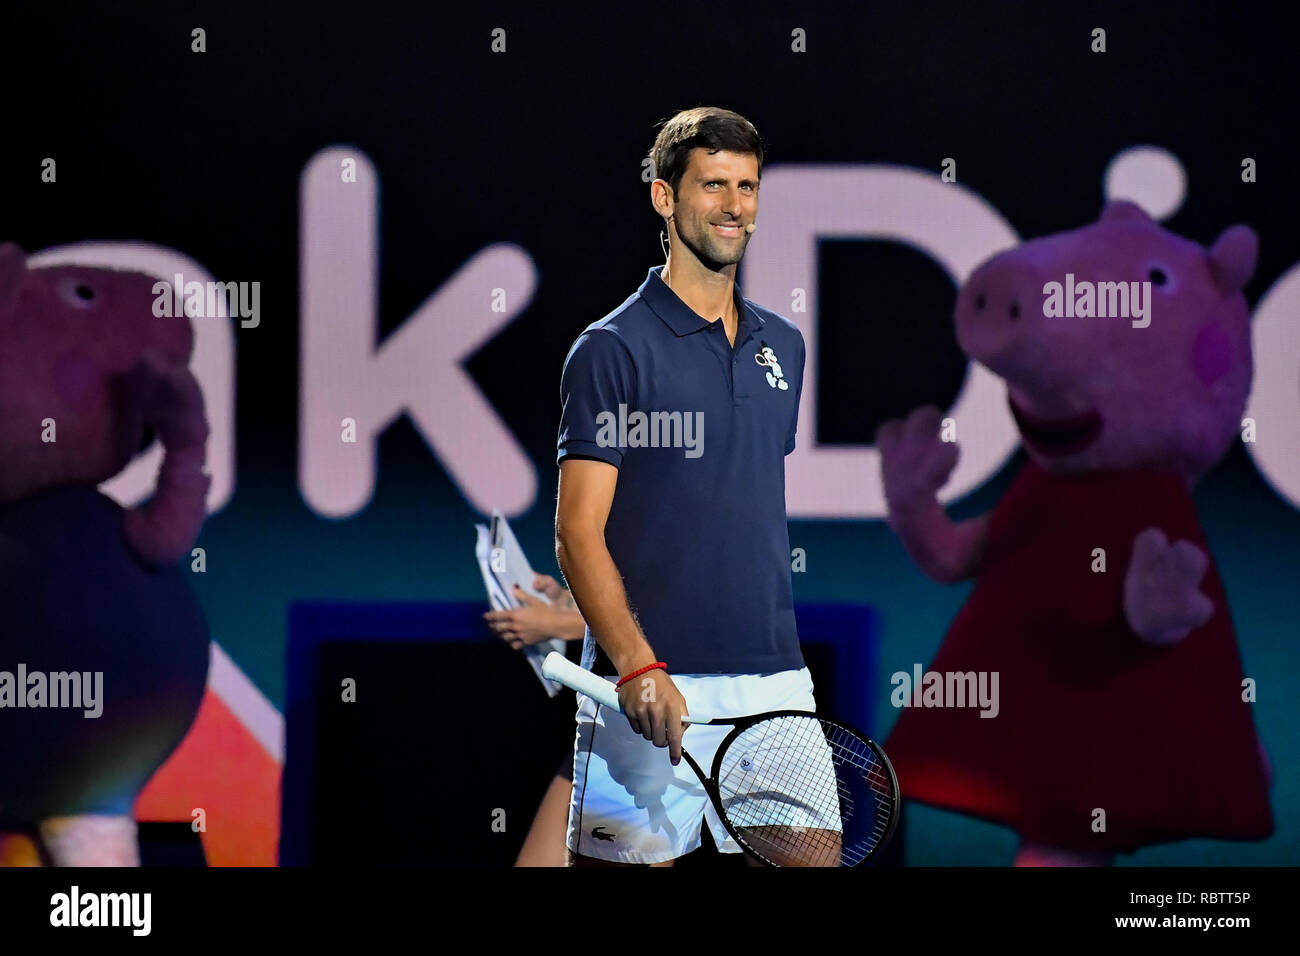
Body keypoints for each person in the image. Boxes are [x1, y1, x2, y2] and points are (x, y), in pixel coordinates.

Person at [554, 107, 828, 867]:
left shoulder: (786, 345)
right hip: (640, 687)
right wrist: (638, 666)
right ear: (665, 198)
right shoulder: (609, 351)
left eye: (747, 185)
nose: (735, 205)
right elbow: (578, 532)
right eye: (713, 185)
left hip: (774, 686)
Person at [483, 573, 585, 867]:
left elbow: (673, 614)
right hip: (611, 726)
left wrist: (556, 624)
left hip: (664, 728)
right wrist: (567, 603)